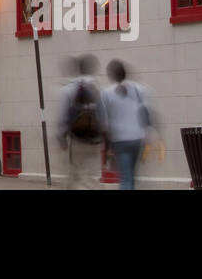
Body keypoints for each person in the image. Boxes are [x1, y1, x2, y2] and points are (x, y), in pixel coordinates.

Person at [101, 59, 157, 190]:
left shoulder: (106, 93)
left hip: (120, 140)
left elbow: (105, 121)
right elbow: (147, 112)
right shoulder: (140, 89)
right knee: (130, 174)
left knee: (125, 176)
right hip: (137, 138)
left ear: (112, 75)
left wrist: (107, 143)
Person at [57, 54, 105, 189]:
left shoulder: (68, 89)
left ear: (79, 69)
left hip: (76, 138)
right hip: (95, 138)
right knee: (92, 176)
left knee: (75, 174)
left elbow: (62, 117)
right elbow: (103, 115)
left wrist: (61, 137)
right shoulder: (98, 89)